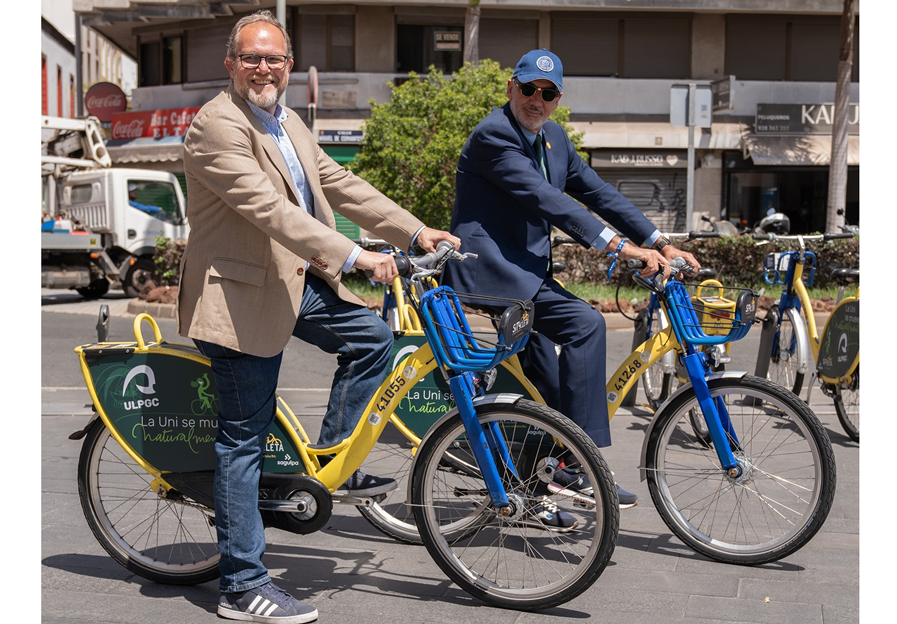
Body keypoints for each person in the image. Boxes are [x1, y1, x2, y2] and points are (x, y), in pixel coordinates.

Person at [176, 11, 460, 624]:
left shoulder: (288, 122)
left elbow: (342, 185)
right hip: (239, 293)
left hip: (294, 281)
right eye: (250, 57)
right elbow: (267, 208)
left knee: (373, 338)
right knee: (243, 439)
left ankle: (331, 460)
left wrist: (414, 231)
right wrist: (355, 255)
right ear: (230, 64)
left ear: (288, 64)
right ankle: (241, 584)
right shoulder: (215, 126)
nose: (263, 67)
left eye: (273, 58)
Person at [441, 49, 700, 511]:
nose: (536, 100)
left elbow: (599, 193)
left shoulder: (555, 139)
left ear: (558, 99)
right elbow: (548, 201)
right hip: (492, 275)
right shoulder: (494, 136)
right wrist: (620, 248)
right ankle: (580, 466)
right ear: (510, 89)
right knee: (586, 324)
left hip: (526, 276)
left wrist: (660, 242)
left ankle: (540, 478)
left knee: (552, 389)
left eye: (548, 93)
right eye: (527, 89)